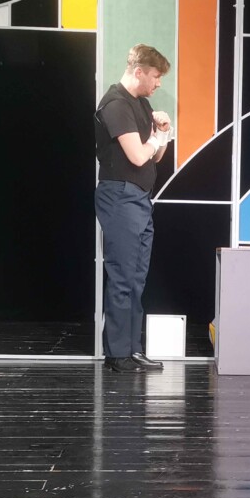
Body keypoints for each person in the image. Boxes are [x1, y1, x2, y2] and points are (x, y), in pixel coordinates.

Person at [94, 44, 172, 373]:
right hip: (120, 196)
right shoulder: (115, 104)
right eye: (155, 76)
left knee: (137, 278)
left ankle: (132, 349)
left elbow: (155, 157)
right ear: (138, 71)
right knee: (123, 277)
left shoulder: (142, 104)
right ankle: (117, 354)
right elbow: (138, 156)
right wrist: (155, 139)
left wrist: (163, 133)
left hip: (140, 198)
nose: (158, 83)